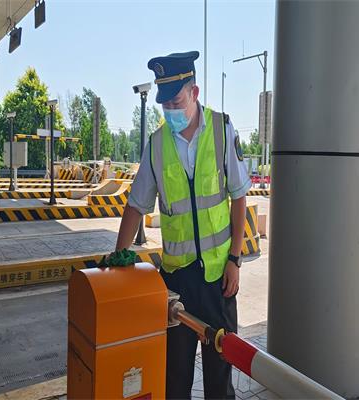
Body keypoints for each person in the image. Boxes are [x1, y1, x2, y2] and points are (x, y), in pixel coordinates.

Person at [115, 50, 251, 399]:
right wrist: (118, 257)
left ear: (195, 92)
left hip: (219, 281)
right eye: (165, 104)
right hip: (176, 283)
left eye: (177, 101)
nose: (171, 110)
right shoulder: (157, 145)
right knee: (174, 378)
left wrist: (235, 260)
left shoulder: (221, 130)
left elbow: (238, 197)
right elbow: (136, 205)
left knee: (220, 376)